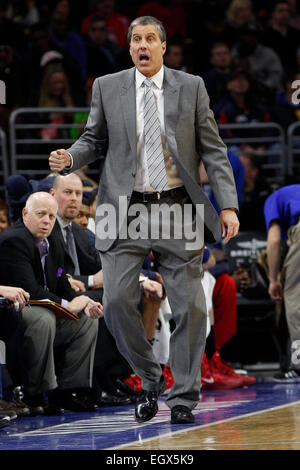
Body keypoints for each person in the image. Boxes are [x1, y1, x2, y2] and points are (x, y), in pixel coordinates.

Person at [49, 15, 239, 425]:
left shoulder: (191, 87)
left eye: (150, 38)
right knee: (116, 302)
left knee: (191, 307)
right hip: (124, 208)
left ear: (163, 46)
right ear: (130, 46)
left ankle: (185, 396)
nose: (143, 45)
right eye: (136, 38)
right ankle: (151, 379)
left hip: (177, 207)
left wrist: (227, 205)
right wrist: (70, 158)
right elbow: (92, 139)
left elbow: (214, 150)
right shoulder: (107, 86)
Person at [0, 192, 103, 414]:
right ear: (26, 213)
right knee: (43, 318)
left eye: (52, 216)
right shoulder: (14, 240)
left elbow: (60, 278)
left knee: (86, 321)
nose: (47, 221)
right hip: (16, 309)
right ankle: (38, 392)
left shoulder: (52, 239)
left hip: (44, 304)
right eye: (41, 215)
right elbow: (31, 290)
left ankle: (70, 390)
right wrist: (67, 305)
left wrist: (81, 302)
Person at [264, 184, 300, 382]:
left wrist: (273, 279)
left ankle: (299, 365)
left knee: (296, 301)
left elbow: (275, 241)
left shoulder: (273, 199)